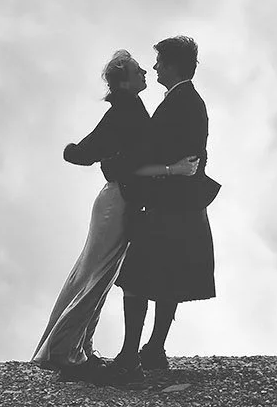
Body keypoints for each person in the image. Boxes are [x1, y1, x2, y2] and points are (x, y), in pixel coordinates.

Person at [31, 50, 199, 381]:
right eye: (138, 71)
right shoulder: (126, 109)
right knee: (94, 275)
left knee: (99, 276)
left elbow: (106, 152)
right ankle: (64, 351)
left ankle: (77, 348)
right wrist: (173, 169)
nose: (146, 73)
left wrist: (96, 157)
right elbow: (102, 154)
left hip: (120, 199)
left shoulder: (130, 108)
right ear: (124, 80)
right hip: (116, 202)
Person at [106, 35, 217, 381]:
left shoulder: (180, 103)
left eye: (158, 62)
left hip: (165, 205)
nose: (154, 68)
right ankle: (153, 350)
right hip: (182, 204)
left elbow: (151, 152)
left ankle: (130, 357)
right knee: (169, 279)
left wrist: (119, 166)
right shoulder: (187, 101)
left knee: (138, 280)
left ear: (170, 65)